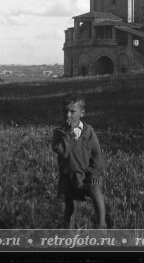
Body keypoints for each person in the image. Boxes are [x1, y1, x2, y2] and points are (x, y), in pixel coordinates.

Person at [52, 93, 109, 228]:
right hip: (68, 176)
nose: (68, 115)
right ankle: (66, 224)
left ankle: (102, 223)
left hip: (85, 176)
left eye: (72, 112)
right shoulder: (59, 132)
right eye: (65, 111)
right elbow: (62, 151)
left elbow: (96, 154)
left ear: (82, 113)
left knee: (96, 191)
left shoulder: (88, 131)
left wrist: (94, 173)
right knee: (68, 203)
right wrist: (69, 134)